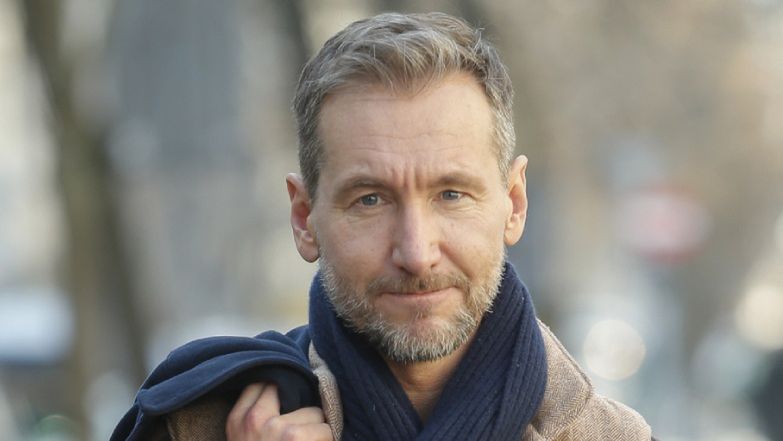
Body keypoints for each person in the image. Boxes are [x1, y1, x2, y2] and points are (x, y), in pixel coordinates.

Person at [112, 11, 654, 441]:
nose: (416, 253)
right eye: (370, 200)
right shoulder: (200, 424)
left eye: (451, 195)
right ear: (304, 219)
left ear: (513, 204)